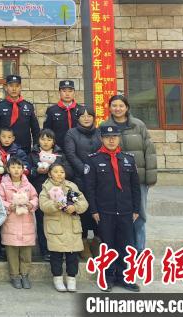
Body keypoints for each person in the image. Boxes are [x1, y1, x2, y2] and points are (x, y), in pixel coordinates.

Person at [84, 124, 142, 292]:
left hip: (125, 211)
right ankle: (108, 278)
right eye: (108, 137)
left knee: (126, 246)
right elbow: (90, 188)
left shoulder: (128, 159)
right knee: (107, 246)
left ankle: (125, 278)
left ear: (119, 138)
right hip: (104, 211)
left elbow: (135, 187)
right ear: (101, 139)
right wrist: (94, 210)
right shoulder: (93, 160)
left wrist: (136, 209)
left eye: (115, 137)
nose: (111, 140)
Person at [102, 94, 157, 254]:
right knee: (120, 217)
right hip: (115, 180)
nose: (117, 109)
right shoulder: (105, 126)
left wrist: (150, 176)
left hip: (138, 179)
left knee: (139, 216)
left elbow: (150, 151)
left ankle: (139, 251)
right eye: (114, 105)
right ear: (109, 108)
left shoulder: (138, 125)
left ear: (127, 107)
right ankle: (122, 252)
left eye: (121, 105)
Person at [38, 162, 88, 293]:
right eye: (56, 172)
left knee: (72, 256)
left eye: (62, 172)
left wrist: (74, 207)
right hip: (56, 227)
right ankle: (58, 279)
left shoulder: (72, 186)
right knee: (56, 256)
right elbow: (43, 205)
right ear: (50, 174)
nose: (59, 174)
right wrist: (56, 205)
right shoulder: (46, 187)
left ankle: (71, 279)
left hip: (72, 226)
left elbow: (84, 203)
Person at [63, 105, 102, 258]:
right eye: (83, 116)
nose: (86, 118)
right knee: (83, 210)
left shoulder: (99, 132)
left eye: (89, 115)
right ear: (78, 118)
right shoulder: (71, 133)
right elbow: (70, 154)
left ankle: (97, 241)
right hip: (80, 177)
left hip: (99, 177)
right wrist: (83, 168)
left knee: (98, 208)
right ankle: (83, 242)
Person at [28, 128, 71, 262]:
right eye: (43, 139)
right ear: (38, 140)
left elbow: (69, 171)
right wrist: (37, 171)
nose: (45, 142)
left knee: (60, 221)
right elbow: (27, 173)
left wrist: (56, 171)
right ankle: (45, 250)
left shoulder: (60, 155)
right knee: (42, 222)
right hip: (40, 191)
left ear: (53, 142)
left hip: (59, 193)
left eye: (49, 139)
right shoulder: (33, 154)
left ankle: (60, 249)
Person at [0, 157, 39, 290]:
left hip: (26, 223)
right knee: (12, 252)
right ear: (8, 169)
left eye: (19, 167)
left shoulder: (28, 185)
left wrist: (31, 204)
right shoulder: (4, 185)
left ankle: (25, 275)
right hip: (11, 222)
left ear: (23, 170)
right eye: (13, 167)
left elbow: (35, 198)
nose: (16, 170)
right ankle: (15, 276)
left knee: (26, 253)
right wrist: (9, 206)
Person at [0, 75, 40, 153]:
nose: (14, 89)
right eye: (11, 86)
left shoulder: (28, 106)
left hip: (24, 148)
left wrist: (36, 148)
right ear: (6, 87)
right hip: (4, 149)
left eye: (17, 86)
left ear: (20, 87)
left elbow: (35, 130)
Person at [43, 80, 81, 150]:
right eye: (64, 91)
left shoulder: (81, 110)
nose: (67, 94)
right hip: (58, 149)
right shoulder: (52, 110)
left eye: (70, 91)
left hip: (78, 148)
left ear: (74, 92)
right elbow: (47, 131)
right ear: (59, 92)